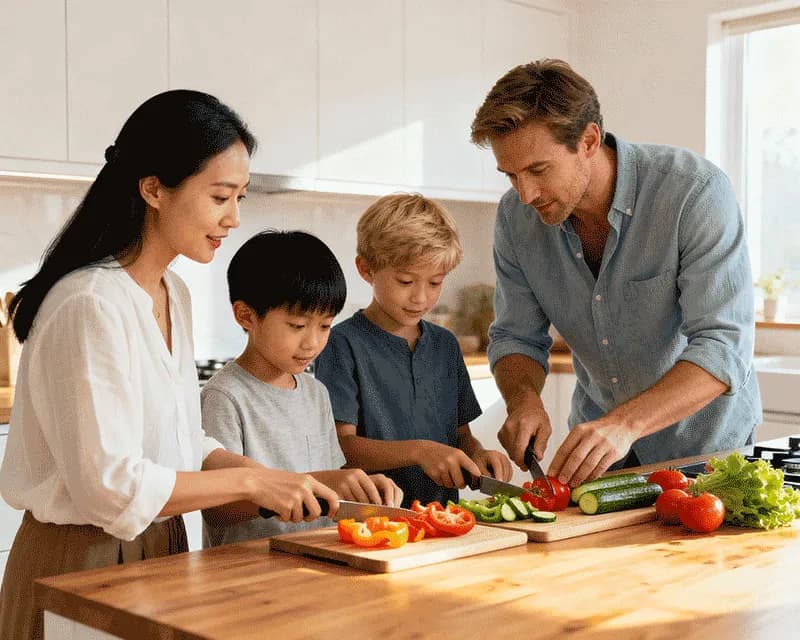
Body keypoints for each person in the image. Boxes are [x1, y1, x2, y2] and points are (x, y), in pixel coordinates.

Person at [0, 90, 339, 640]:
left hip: (159, 549)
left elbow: (181, 440)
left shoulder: (171, 293)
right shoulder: (90, 303)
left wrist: (286, 480)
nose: (232, 218)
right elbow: (109, 487)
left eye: (240, 198)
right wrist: (251, 481)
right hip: (80, 560)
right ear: (154, 188)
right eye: (220, 196)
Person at [469, 59, 761, 488]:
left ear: (588, 140)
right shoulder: (515, 219)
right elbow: (516, 337)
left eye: (538, 170)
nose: (525, 193)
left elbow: (724, 346)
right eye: (510, 174)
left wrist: (624, 424)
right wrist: (523, 399)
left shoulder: (692, 193)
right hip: (601, 461)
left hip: (707, 454)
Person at [201, 230, 402, 547]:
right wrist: (319, 483)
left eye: (325, 326)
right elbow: (217, 508)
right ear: (246, 316)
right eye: (297, 326)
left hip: (314, 557)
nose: (313, 342)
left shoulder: (315, 392)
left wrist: (359, 490)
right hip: (247, 568)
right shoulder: (224, 396)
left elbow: (331, 483)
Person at [314, 193, 513, 509]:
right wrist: (420, 451)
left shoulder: (446, 346)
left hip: (442, 516)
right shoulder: (341, 344)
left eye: (435, 283)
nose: (421, 297)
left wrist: (478, 454)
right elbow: (342, 446)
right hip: (373, 521)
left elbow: (462, 436)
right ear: (366, 269)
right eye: (406, 281)